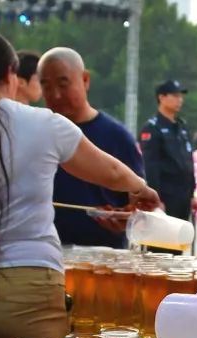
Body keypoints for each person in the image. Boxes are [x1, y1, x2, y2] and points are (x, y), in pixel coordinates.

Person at [0, 31, 159, 338]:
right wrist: (140, 189)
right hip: (31, 289)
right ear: (10, 74)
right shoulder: (45, 125)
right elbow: (111, 172)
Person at [40, 47, 146, 249]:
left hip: (103, 257)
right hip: (48, 254)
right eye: (46, 86)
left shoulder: (117, 137)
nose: (55, 95)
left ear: (85, 79)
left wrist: (126, 220)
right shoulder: (38, 134)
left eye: (63, 84)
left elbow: (141, 205)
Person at [139, 80, 196, 222]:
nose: (179, 100)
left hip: (184, 197)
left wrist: (192, 194)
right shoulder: (153, 128)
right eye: (175, 96)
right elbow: (151, 166)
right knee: (163, 241)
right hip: (166, 197)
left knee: (182, 241)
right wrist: (156, 199)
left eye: (181, 96)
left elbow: (188, 162)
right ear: (162, 97)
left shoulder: (181, 127)